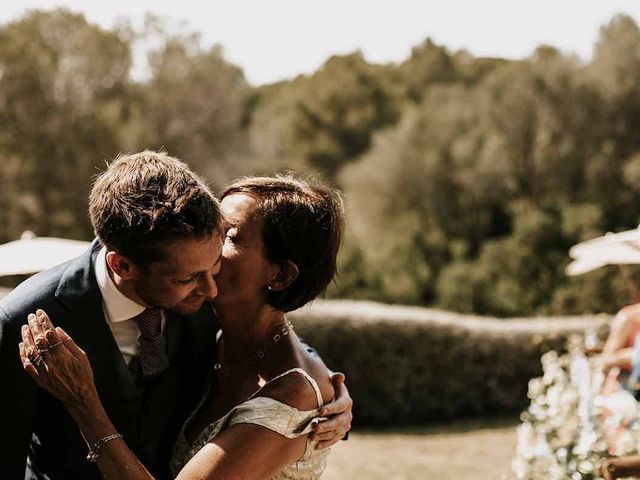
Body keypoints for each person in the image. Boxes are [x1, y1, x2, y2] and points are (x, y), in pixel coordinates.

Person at [0, 152, 352, 479]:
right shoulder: (23, 320)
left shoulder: (202, 297)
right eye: (223, 228)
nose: (209, 284)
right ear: (122, 264)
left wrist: (324, 391)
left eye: (226, 236)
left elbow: (275, 355)